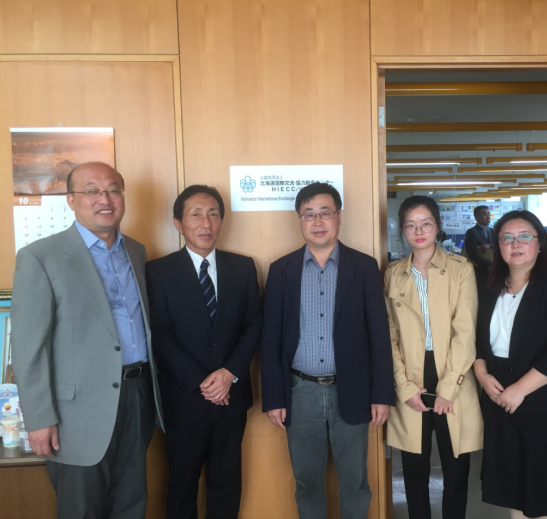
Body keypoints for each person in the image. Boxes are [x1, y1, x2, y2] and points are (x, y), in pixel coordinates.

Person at [11, 162, 164, 519]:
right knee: (82, 509)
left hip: (137, 396)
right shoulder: (40, 257)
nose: (104, 199)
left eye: (113, 190)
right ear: (71, 200)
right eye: (91, 191)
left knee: (132, 502)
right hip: (75, 413)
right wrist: (38, 419)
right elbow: (29, 348)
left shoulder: (136, 251)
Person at [261, 182, 395, 519]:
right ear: (299, 220)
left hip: (353, 388)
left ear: (339, 216)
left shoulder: (364, 267)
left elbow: (379, 335)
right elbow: (271, 338)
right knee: (306, 483)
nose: (317, 221)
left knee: (356, 482)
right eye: (309, 214)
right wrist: (274, 398)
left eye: (325, 212)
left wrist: (382, 394)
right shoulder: (281, 270)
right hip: (299, 392)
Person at [146, 185, 262, 519]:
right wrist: (204, 382)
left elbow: (254, 323)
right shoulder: (158, 271)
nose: (206, 222)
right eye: (195, 214)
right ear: (178, 224)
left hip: (231, 396)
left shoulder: (242, 267)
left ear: (221, 220)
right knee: (181, 485)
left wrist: (228, 374)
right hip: (184, 399)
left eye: (213, 214)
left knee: (227, 484)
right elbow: (161, 335)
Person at [474, 210, 547, 519]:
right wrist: (482, 373)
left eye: (524, 237)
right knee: (515, 494)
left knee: (546, 498)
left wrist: (519, 390)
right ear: (497, 246)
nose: (515, 244)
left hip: (544, 406)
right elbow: (480, 343)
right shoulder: (489, 288)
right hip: (500, 405)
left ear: (540, 244)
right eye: (506, 238)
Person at [384, 196, 483, 519]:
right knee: (414, 469)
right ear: (402, 230)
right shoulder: (393, 274)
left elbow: (465, 332)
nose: (419, 231)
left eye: (425, 223)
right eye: (410, 225)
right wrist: (403, 386)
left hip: (452, 374)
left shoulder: (460, 270)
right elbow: (389, 336)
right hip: (411, 377)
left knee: (456, 468)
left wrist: (448, 388)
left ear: (437, 226)